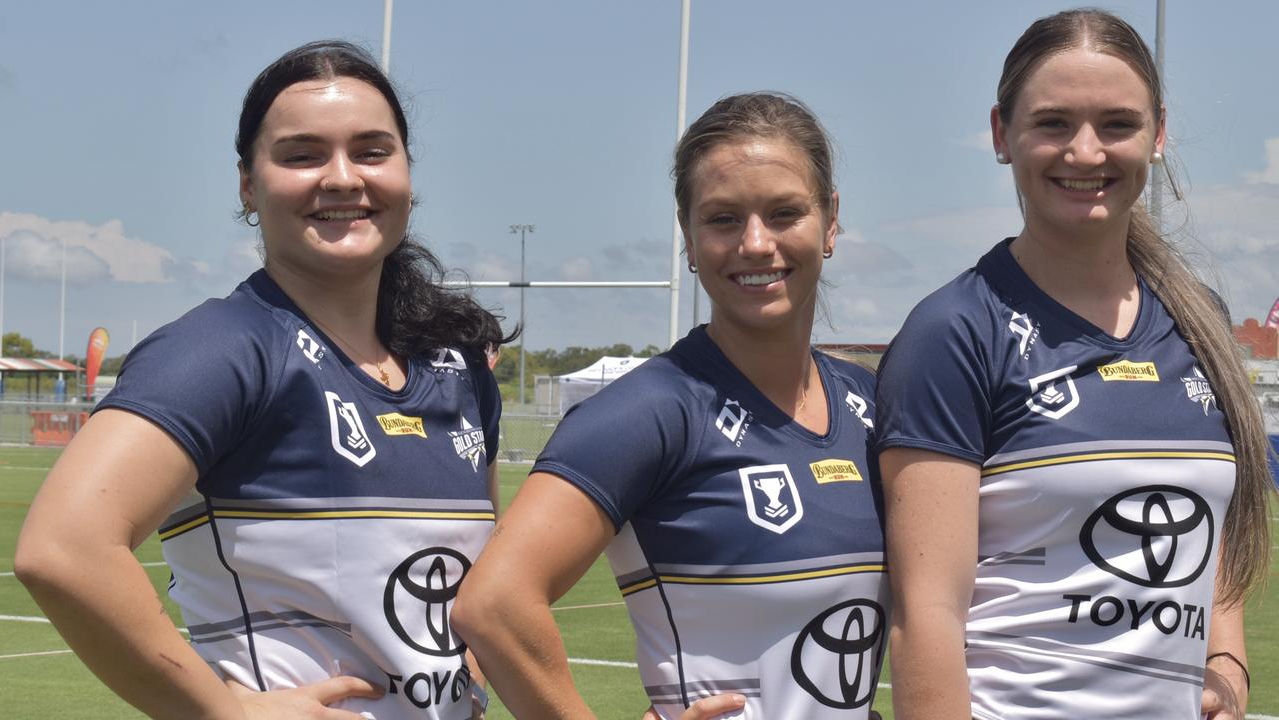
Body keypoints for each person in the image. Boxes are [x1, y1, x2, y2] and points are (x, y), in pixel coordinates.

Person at [15, 40, 511, 720]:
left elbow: (483, 583)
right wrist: (226, 711)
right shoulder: (223, 350)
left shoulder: (455, 368)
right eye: (303, 154)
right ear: (249, 184)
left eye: (371, 151)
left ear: (406, 172)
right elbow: (63, 551)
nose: (342, 177)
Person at [876, 9, 1272, 720]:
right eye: (1054, 123)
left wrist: (1225, 661)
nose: (1085, 152)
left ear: (1158, 135)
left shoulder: (1199, 318)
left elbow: (1212, 540)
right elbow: (924, 619)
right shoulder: (955, 331)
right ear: (1002, 134)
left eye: (1117, 124)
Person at [452, 92, 889, 720]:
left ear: (831, 221)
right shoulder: (648, 412)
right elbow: (492, 605)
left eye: (785, 212)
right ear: (687, 236)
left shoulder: (873, 401)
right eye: (723, 219)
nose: (756, 243)